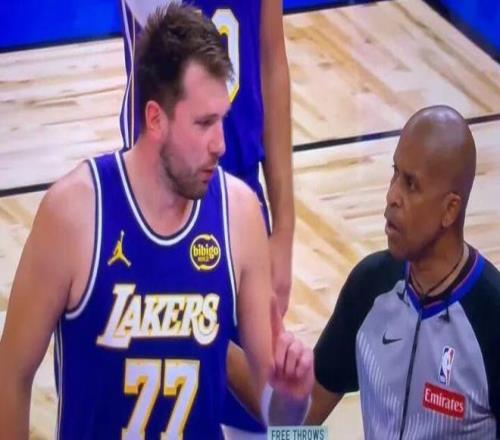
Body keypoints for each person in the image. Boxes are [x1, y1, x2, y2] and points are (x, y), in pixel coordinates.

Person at [0, 5, 312, 439]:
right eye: (204, 123)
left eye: (222, 120)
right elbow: (10, 375)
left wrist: (293, 400)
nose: (220, 144)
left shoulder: (240, 215)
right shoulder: (74, 214)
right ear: (155, 119)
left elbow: (279, 418)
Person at [119, 1, 295, 436]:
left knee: (272, 418)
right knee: (165, 402)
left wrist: (285, 230)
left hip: (244, 200)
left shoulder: (243, 209)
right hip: (164, 203)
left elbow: (272, 62)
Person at [308, 106, 500, 439]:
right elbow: (296, 426)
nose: (392, 196)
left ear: (449, 209)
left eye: (410, 184)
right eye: (394, 174)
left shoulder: (492, 317)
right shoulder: (369, 286)